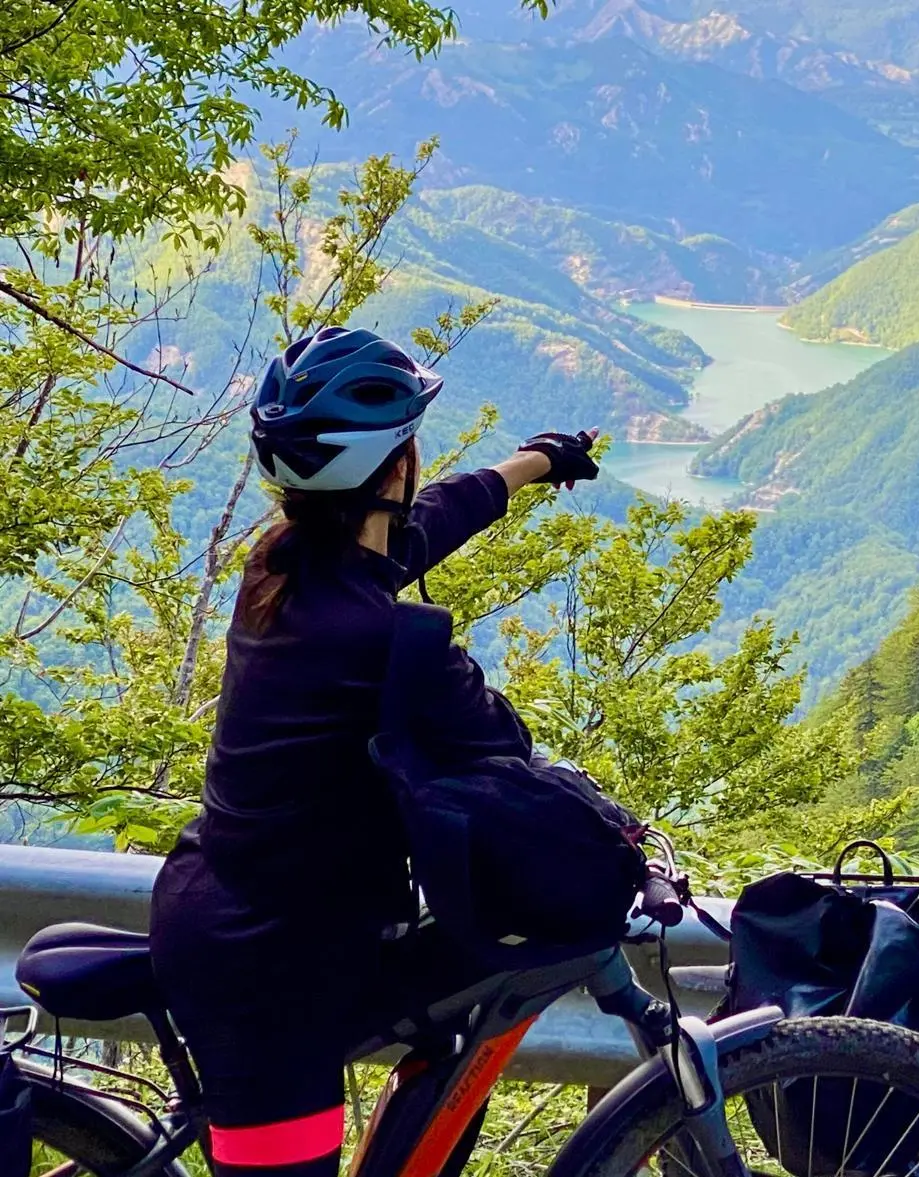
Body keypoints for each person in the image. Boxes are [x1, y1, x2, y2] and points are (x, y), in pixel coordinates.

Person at [149, 327, 602, 1177]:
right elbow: (505, 752)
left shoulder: (282, 561)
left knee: (459, 995)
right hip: (269, 973)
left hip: (244, 909)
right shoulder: (386, 638)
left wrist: (535, 463)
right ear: (394, 468)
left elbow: (424, 525)